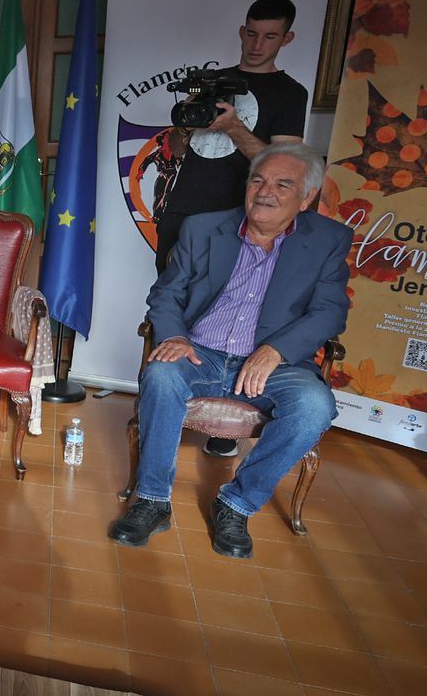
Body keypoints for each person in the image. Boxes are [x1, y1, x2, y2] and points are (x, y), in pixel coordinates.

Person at [109, 144, 349, 561]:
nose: (265, 192)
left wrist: (276, 350)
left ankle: (236, 504)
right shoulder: (204, 228)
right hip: (201, 350)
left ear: (307, 197)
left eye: (282, 184)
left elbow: (330, 311)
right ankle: (152, 501)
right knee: (162, 375)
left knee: (314, 406)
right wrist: (175, 336)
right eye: (257, 180)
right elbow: (167, 293)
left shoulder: (328, 240)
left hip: (276, 362)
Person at [150, 0, 307, 458]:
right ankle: (166, 404)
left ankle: (225, 425)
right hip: (186, 211)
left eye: (270, 36)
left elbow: (284, 166)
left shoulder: (290, 93)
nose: (258, 44)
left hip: (247, 219)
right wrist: (187, 124)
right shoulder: (210, 83)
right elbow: (180, 150)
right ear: (241, 31)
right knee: (175, 303)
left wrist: (234, 126)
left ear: (287, 38)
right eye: (252, 33)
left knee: (240, 310)